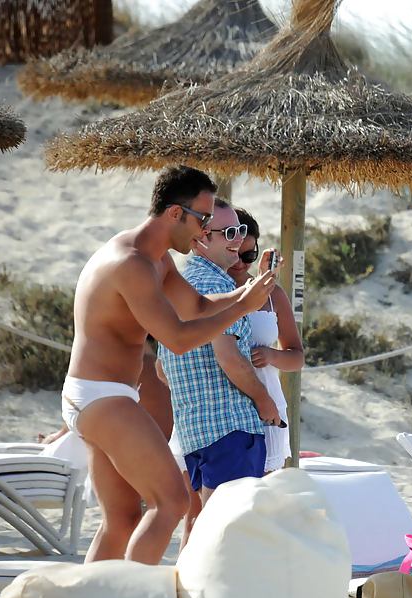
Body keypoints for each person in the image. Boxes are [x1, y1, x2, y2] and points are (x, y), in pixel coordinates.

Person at [62, 165, 275, 565]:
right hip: (102, 397)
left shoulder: (156, 260)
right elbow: (177, 339)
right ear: (175, 213)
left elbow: (194, 307)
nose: (205, 231)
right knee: (171, 502)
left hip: (99, 395)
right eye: (204, 220)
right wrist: (243, 307)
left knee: (122, 520)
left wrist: (247, 291)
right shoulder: (132, 264)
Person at [158, 199, 283, 510]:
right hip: (230, 427)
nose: (238, 240)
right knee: (230, 531)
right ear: (202, 238)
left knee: (210, 530)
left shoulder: (179, 286)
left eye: (239, 230)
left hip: (195, 429)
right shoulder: (216, 284)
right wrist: (263, 400)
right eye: (228, 233)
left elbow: (162, 368)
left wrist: (198, 392)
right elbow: (227, 356)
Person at [227, 207, 304, 473]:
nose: (240, 262)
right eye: (236, 253)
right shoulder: (207, 288)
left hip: (267, 406)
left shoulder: (273, 294)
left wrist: (272, 356)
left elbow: (297, 356)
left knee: (262, 504)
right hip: (218, 407)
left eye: (249, 254)